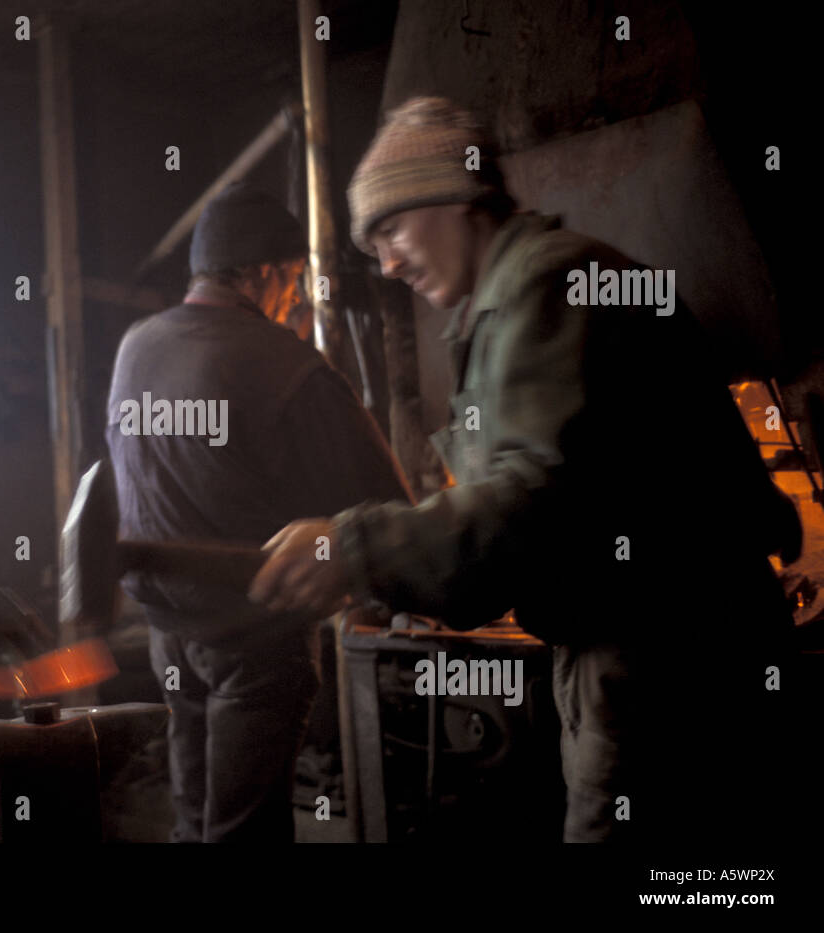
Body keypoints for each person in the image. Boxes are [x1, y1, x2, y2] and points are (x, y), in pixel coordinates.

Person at [249, 98, 802, 843]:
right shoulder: (516, 296)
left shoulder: (546, 285)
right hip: (656, 653)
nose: (387, 263)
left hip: (666, 667)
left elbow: (534, 497)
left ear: (457, 199)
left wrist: (357, 546)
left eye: (392, 227)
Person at [106, 182, 409, 842]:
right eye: (292, 278)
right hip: (254, 640)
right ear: (263, 270)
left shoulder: (135, 346)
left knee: (194, 818)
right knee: (245, 831)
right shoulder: (288, 364)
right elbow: (387, 508)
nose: (294, 296)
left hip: (167, 632)